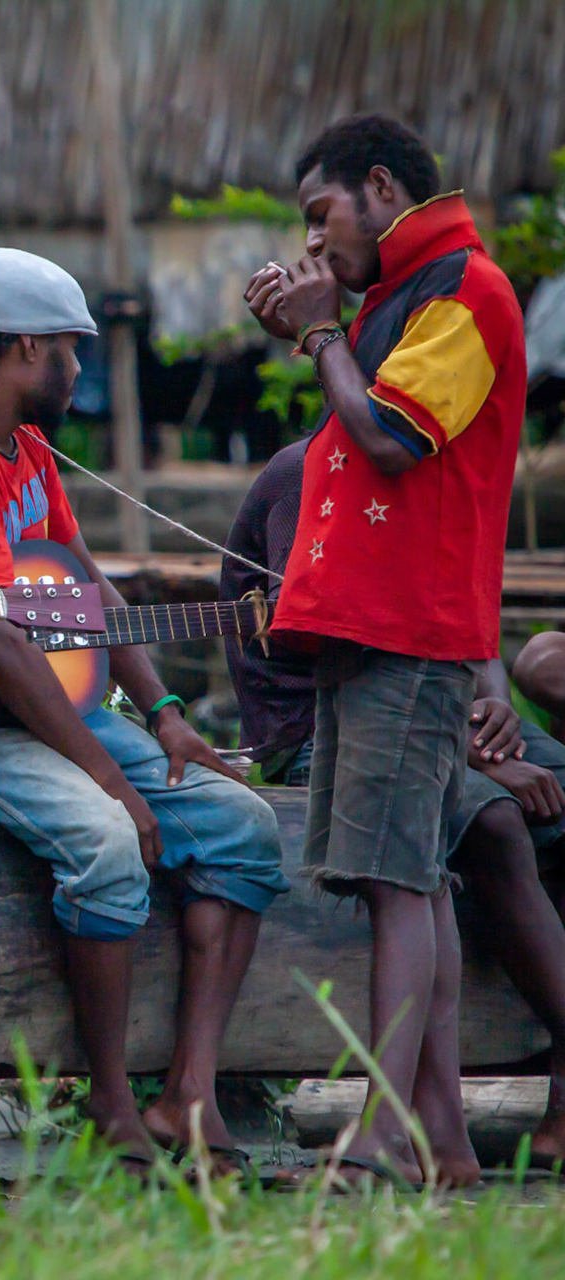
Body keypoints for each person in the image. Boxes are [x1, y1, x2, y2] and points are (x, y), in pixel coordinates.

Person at [0, 248, 290, 1173]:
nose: (78, 367)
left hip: (35, 702)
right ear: (27, 348)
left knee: (246, 828)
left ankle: (190, 1093)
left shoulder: (23, 448)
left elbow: (88, 590)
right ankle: (107, 1099)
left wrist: (165, 712)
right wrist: (112, 784)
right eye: (71, 348)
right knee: (104, 841)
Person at [242, 114, 525, 1187]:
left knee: (401, 884)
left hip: (410, 632)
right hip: (367, 628)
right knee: (407, 883)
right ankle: (442, 1139)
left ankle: (381, 1135)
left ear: (381, 186)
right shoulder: (400, 299)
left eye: (322, 217)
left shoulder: (467, 291)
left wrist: (321, 335)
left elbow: (391, 439)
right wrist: (318, 331)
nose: (314, 244)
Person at [226, 438, 565, 1166]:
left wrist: (495, 713)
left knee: (551, 796)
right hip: (323, 722)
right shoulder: (313, 471)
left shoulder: (431, 473)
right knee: (496, 820)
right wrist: (475, 752)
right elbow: (336, 634)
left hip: (438, 703)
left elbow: (463, 599)